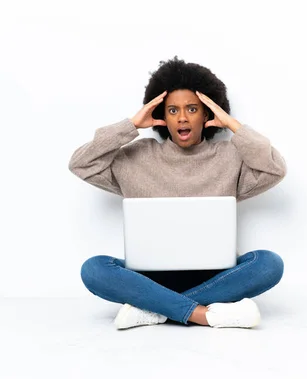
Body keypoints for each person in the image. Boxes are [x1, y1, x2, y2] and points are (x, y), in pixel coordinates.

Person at [69, 57, 287, 330]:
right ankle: (203, 314)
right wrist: (131, 126)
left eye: (192, 109)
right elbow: (81, 163)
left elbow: (275, 169)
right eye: (172, 110)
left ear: (207, 114)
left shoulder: (230, 156)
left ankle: (154, 308)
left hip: (215, 275)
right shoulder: (136, 156)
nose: (182, 117)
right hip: (150, 277)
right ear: (162, 116)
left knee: (269, 264)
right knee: (94, 269)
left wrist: (234, 125)